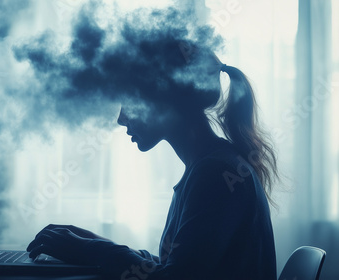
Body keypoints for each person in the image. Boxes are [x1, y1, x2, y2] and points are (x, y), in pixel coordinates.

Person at [26, 45, 279, 279]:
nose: (121, 119)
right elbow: (179, 266)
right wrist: (92, 242)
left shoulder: (216, 174)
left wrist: (91, 249)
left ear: (166, 98)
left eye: (130, 101)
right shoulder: (209, 166)